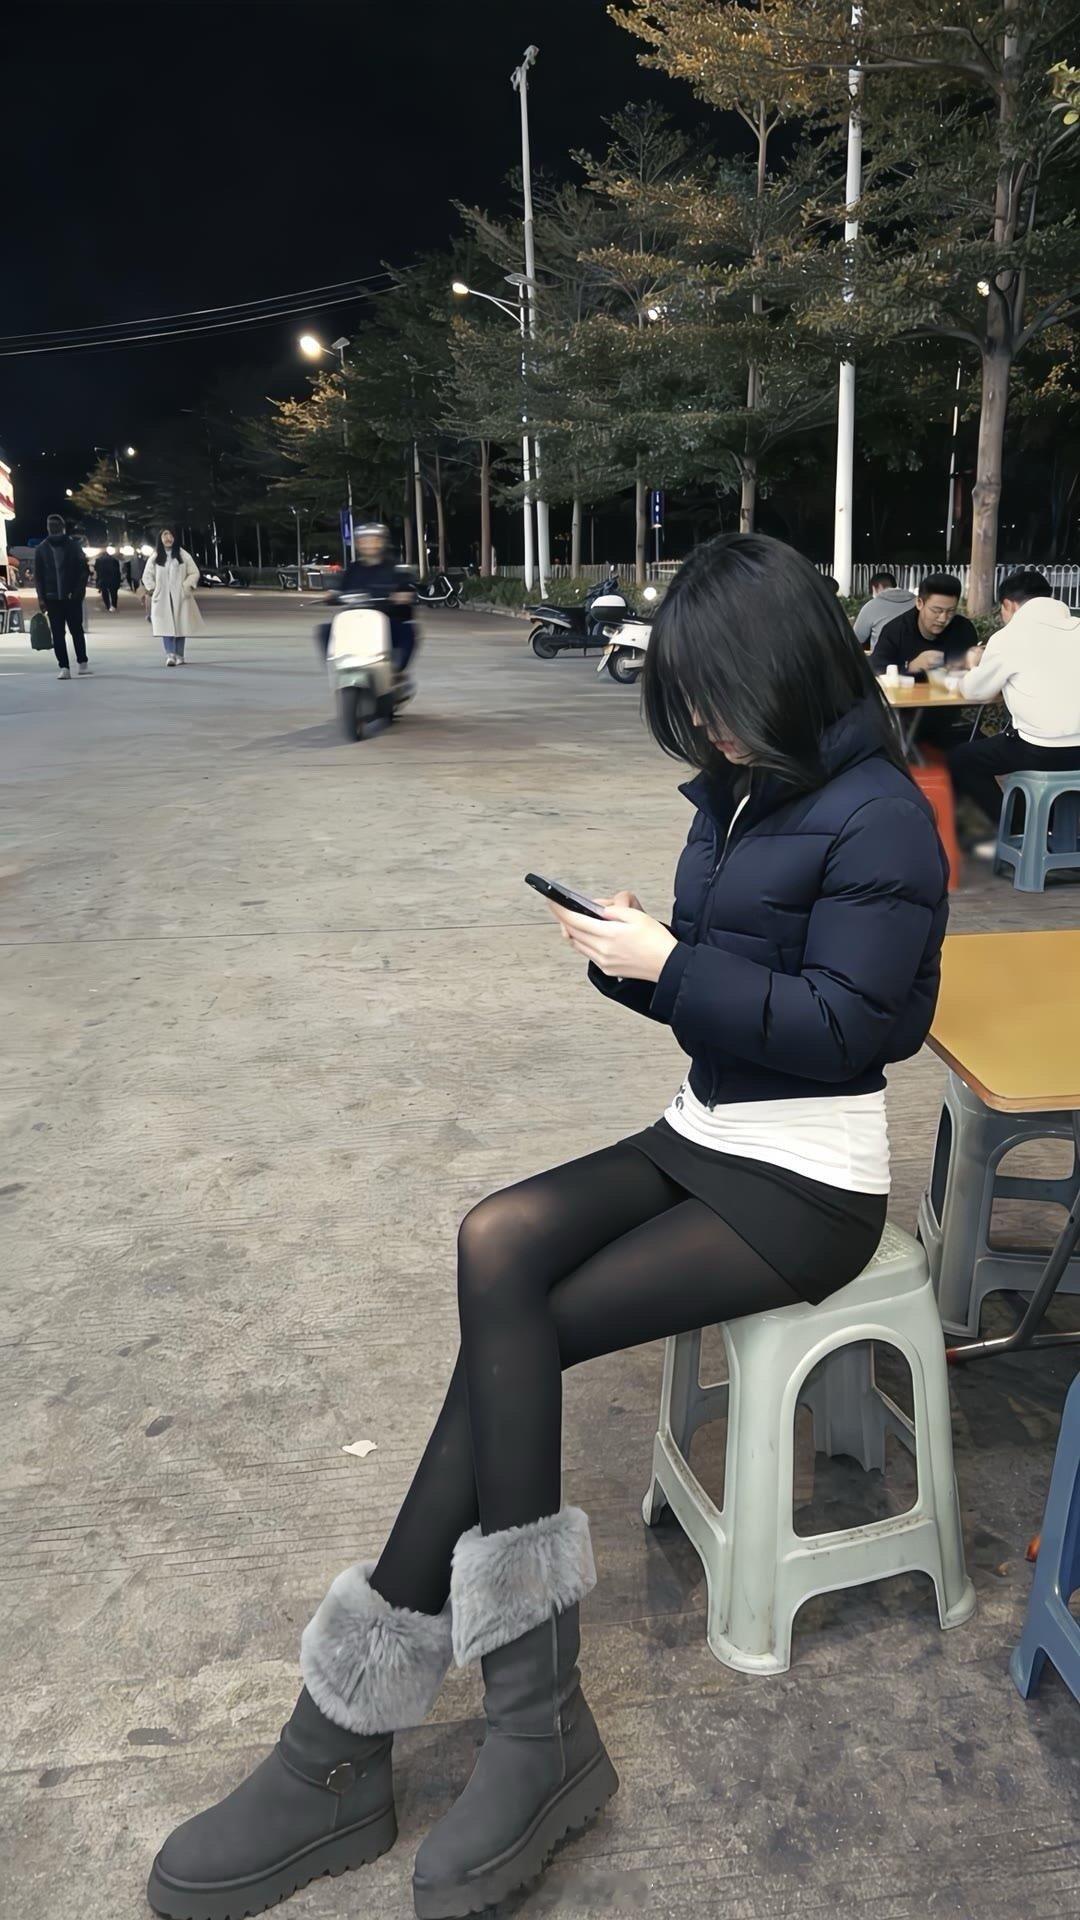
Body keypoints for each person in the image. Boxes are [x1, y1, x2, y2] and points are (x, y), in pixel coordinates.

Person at [147, 534, 948, 1920]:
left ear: (782, 667)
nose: (702, 728)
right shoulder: (744, 790)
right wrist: (632, 959)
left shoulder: (880, 814)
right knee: (496, 1241)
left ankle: (367, 1741)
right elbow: (721, 991)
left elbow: (854, 1028)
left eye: (714, 700)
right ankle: (503, 1727)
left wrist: (675, 965)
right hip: (709, 1131)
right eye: (688, 708)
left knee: (523, 1326)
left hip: (807, 1180)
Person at [948, 569, 1080, 829]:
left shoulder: (1008, 637)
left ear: (1008, 604)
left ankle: (1017, 828)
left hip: (1040, 750)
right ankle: (1056, 831)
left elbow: (974, 691)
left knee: (962, 758)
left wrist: (974, 665)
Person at [319, 521, 417, 670]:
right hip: (356, 621)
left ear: (383, 542)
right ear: (358, 544)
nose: (370, 544)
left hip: (387, 620)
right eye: (365, 540)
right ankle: (337, 667)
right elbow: (340, 589)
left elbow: (407, 587)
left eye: (375, 540)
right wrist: (332, 595)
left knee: (408, 631)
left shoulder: (395, 567)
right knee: (326, 630)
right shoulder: (353, 569)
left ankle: (397, 671)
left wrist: (403, 596)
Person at [869, 572, 979, 681]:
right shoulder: (895, 631)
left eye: (951, 611)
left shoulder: (964, 630)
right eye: (936, 610)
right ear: (919, 603)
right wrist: (910, 667)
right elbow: (876, 672)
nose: (943, 618)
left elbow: (975, 673)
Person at [33, 513, 90, 679]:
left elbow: (83, 570)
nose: (53, 528)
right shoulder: (42, 549)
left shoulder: (73, 546)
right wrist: (41, 598)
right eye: (50, 525)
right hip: (52, 599)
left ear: (62, 527)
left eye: (56, 525)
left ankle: (82, 661)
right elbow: (38, 576)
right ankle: (64, 667)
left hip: (72, 597)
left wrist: (78, 592)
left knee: (76, 630)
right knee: (58, 634)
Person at [140, 527, 203, 664]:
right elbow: (147, 575)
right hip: (162, 597)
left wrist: (186, 586)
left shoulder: (183, 555)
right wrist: (153, 589)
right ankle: (170, 655)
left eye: (171, 535)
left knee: (181, 625)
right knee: (165, 626)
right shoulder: (155, 557)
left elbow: (194, 572)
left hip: (180, 596)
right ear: (160, 538)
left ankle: (180, 655)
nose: (168, 538)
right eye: (165, 535)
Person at [853, 571, 916, 650]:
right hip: (917, 655)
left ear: (877, 587)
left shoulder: (871, 605)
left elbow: (857, 638)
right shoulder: (917, 603)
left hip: (883, 656)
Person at [94, 546, 122, 612]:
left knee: (104, 592)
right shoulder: (114, 560)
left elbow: (96, 569)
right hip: (113, 578)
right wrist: (119, 580)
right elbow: (117, 571)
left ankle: (107, 605)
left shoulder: (98, 560)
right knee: (113, 592)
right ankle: (114, 605)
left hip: (103, 578)